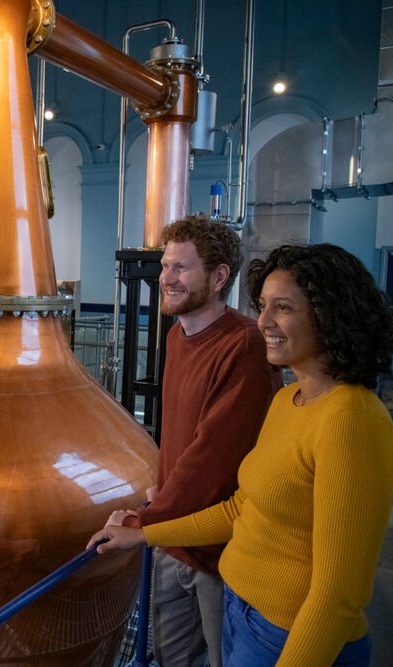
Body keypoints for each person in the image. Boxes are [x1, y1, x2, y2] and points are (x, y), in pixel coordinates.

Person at [91, 244, 393, 667]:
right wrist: (144, 533)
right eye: (263, 306)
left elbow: (338, 598)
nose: (264, 321)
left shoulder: (352, 420)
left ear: (331, 316)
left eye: (283, 308)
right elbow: (241, 509)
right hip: (241, 613)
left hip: (287, 636)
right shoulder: (289, 399)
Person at [134, 214, 280, 667]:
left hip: (220, 553)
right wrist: (161, 502)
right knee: (171, 658)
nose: (166, 278)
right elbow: (180, 436)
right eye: (165, 266)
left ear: (219, 278)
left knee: (219, 659)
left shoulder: (245, 346)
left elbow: (212, 457)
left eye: (180, 268)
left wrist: (144, 522)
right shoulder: (177, 336)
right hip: (173, 540)